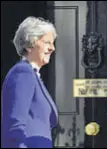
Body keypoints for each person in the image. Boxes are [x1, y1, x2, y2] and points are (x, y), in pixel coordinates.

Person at [1, 16, 58, 148]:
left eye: (52, 43)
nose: (52, 48)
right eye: (47, 42)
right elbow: (15, 125)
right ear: (29, 45)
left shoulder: (32, 74)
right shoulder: (23, 73)